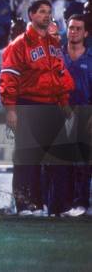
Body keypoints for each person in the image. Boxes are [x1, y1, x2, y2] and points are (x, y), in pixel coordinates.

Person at [0, 0, 75, 216]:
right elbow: (8, 78)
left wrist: (65, 105)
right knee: (27, 158)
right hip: (29, 104)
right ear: (31, 15)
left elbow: (59, 76)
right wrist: (11, 109)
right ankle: (26, 205)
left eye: (49, 12)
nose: (46, 15)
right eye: (42, 12)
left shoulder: (53, 44)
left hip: (53, 105)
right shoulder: (19, 44)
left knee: (60, 159)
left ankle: (57, 207)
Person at [61, 15, 92, 217]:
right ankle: (61, 204)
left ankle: (81, 203)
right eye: (71, 28)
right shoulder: (57, 56)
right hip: (60, 113)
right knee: (60, 162)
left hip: (85, 114)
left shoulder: (90, 59)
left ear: (86, 33)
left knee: (82, 161)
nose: (73, 32)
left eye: (78, 28)